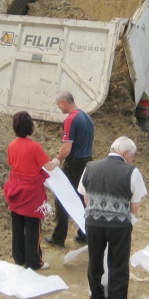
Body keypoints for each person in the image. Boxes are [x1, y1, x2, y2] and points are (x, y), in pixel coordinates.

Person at [78, 136, 147, 299]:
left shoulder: (90, 167)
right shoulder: (131, 172)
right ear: (125, 153)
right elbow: (134, 208)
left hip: (93, 223)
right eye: (131, 156)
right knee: (118, 266)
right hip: (119, 226)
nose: (131, 160)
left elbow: (86, 199)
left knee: (94, 260)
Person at [4, 111, 60, 271]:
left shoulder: (11, 146)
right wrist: (57, 160)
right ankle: (34, 261)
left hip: (15, 189)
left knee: (17, 226)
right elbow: (49, 166)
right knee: (33, 228)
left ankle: (19, 258)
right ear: (31, 127)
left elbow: (11, 163)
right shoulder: (35, 147)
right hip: (31, 192)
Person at [45, 91, 94, 247]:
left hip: (74, 163)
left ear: (63, 103)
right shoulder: (87, 117)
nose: (59, 107)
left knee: (62, 197)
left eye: (58, 105)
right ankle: (84, 233)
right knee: (83, 197)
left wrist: (57, 160)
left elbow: (67, 148)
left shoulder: (71, 119)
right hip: (88, 162)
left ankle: (58, 238)